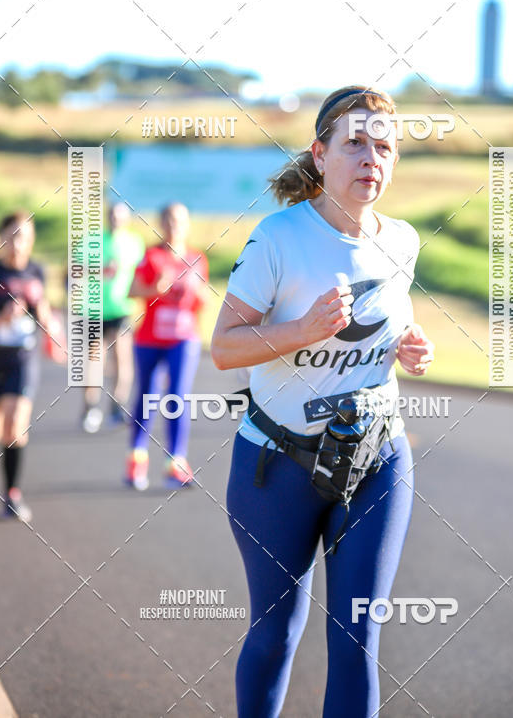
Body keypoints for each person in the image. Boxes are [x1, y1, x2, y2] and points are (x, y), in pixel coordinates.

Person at [211, 85, 435, 717]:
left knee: (358, 637)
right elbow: (225, 348)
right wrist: (299, 332)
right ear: (320, 153)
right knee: (277, 632)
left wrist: (409, 348)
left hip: (377, 458)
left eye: (384, 147)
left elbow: (388, 329)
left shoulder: (403, 241)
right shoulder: (278, 237)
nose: (371, 158)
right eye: (355, 142)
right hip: (278, 466)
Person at [125, 202, 209, 491]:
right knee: (147, 395)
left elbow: (202, 301)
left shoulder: (197, 259)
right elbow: (132, 290)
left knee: (177, 397)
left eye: (180, 220)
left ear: (187, 223)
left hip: (184, 338)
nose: (174, 224)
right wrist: (154, 289)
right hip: (150, 337)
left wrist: (201, 297)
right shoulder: (151, 256)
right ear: (161, 223)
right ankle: (136, 457)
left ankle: (176, 462)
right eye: (169, 219)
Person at [0, 211, 64, 522]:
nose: (17, 243)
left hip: (22, 359)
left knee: (16, 425)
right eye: (12, 235)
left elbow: (45, 313)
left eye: (23, 236)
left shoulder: (37, 271)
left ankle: (12, 494)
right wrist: (3, 317)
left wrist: (53, 331)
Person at [80, 202, 145, 433]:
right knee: (94, 359)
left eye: (120, 217)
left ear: (126, 219)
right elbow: (75, 271)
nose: (115, 220)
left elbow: (142, 273)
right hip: (94, 308)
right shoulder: (91, 241)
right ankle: (90, 406)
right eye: (112, 216)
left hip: (122, 308)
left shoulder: (134, 243)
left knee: (122, 357)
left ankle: (117, 405)